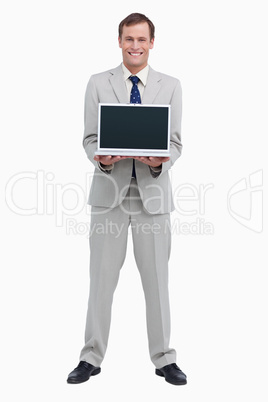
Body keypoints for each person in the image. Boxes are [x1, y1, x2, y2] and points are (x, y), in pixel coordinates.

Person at [67, 13, 187, 386]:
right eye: (128, 39)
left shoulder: (171, 86)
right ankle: (91, 356)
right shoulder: (98, 83)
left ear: (152, 43)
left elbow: (176, 143)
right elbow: (89, 138)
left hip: (152, 195)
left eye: (142, 39)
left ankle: (164, 358)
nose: (135, 46)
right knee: (101, 280)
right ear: (119, 41)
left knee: (157, 282)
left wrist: (159, 163)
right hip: (109, 195)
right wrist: (100, 158)